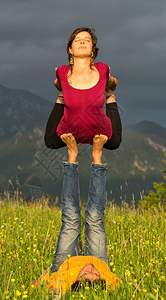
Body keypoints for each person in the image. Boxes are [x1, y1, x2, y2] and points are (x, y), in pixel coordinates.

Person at [43, 27, 122, 276]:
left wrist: (109, 89)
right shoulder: (105, 276)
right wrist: (62, 90)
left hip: (96, 130)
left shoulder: (60, 278)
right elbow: (58, 80)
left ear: (93, 49)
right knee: (94, 219)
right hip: (74, 130)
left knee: (72, 220)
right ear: (70, 48)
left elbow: (111, 79)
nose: (83, 42)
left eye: (87, 40)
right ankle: (91, 154)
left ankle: (77, 155)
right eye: (78, 40)